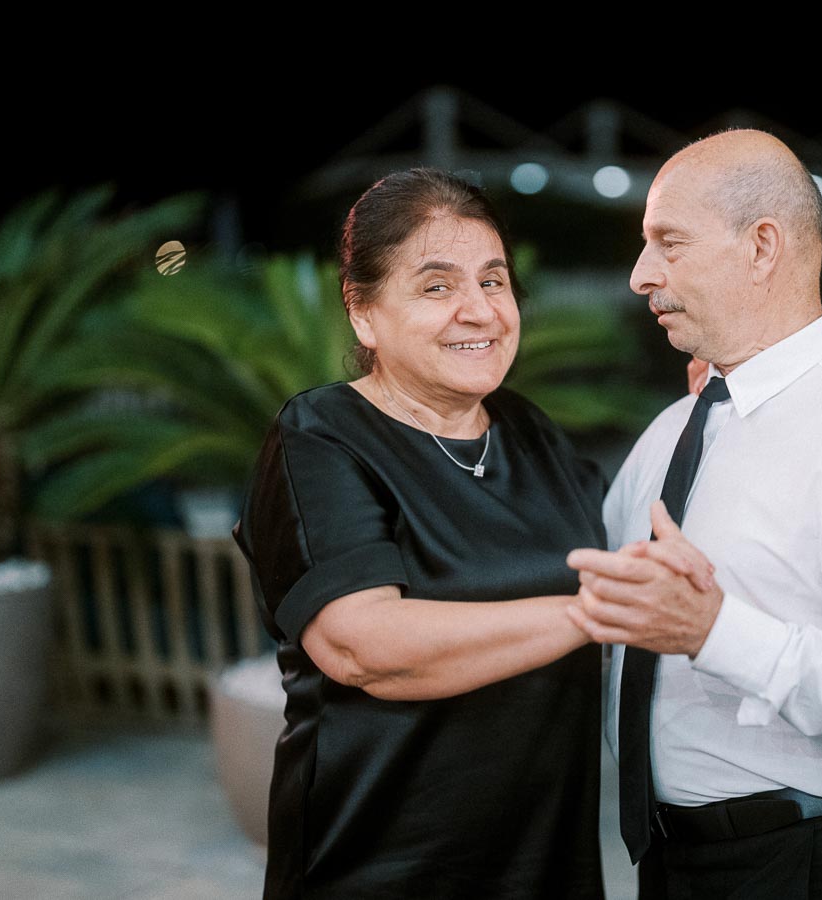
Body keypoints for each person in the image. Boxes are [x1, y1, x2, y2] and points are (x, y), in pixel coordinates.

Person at [566, 129, 822, 899]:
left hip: (811, 862)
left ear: (763, 247)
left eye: (669, 243)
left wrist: (716, 633)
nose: (639, 275)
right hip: (675, 860)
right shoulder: (676, 428)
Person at [230, 168, 609, 899]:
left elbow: (633, 546)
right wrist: (590, 616)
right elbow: (361, 646)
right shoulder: (321, 436)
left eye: (494, 282)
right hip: (381, 869)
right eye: (438, 287)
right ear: (363, 312)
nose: (480, 310)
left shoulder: (530, 433)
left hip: (545, 866)